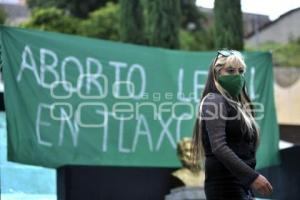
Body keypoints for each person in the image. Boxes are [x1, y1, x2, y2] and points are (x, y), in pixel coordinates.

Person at [191, 50, 273, 199]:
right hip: (225, 186)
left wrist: (248, 178)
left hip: (241, 185)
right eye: (230, 70)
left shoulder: (238, 106)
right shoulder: (213, 100)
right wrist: (252, 177)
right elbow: (219, 146)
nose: (237, 75)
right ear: (217, 73)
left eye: (241, 71)